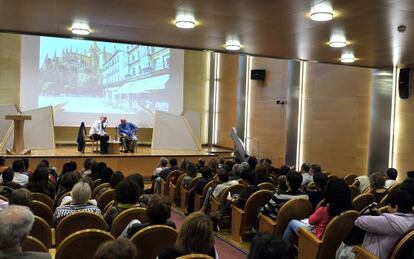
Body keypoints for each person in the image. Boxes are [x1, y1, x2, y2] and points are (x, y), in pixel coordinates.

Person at [283, 177, 352, 243]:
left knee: (292, 222)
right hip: (333, 241)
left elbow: (310, 221)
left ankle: (283, 251)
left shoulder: (325, 210)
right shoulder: (349, 210)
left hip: (316, 241)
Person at [354, 189, 414, 259]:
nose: (387, 209)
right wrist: (382, 216)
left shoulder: (390, 222)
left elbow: (359, 221)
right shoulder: (410, 221)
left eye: (388, 206)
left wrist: (381, 217)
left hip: (371, 256)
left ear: (396, 207)